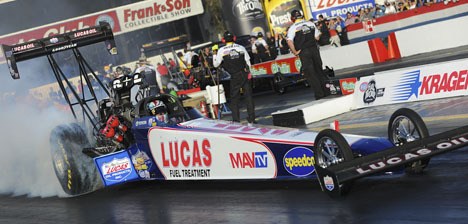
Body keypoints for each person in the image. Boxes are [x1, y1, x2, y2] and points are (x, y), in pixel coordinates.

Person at [213, 31, 256, 124]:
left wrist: (214, 53)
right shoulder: (241, 47)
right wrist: (249, 73)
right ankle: (252, 118)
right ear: (234, 38)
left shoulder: (221, 50)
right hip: (244, 74)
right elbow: (248, 62)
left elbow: (215, 64)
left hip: (234, 76)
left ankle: (236, 120)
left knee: (234, 99)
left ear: (223, 40)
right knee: (248, 97)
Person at [287, 9, 328, 100]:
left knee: (311, 74)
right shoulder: (310, 23)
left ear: (293, 18)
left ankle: (319, 95)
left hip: (304, 51)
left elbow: (289, 42)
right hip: (314, 49)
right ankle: (327, 91)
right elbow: (317, 37)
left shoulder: (292, 28)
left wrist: (295, 52)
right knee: (319, 70)